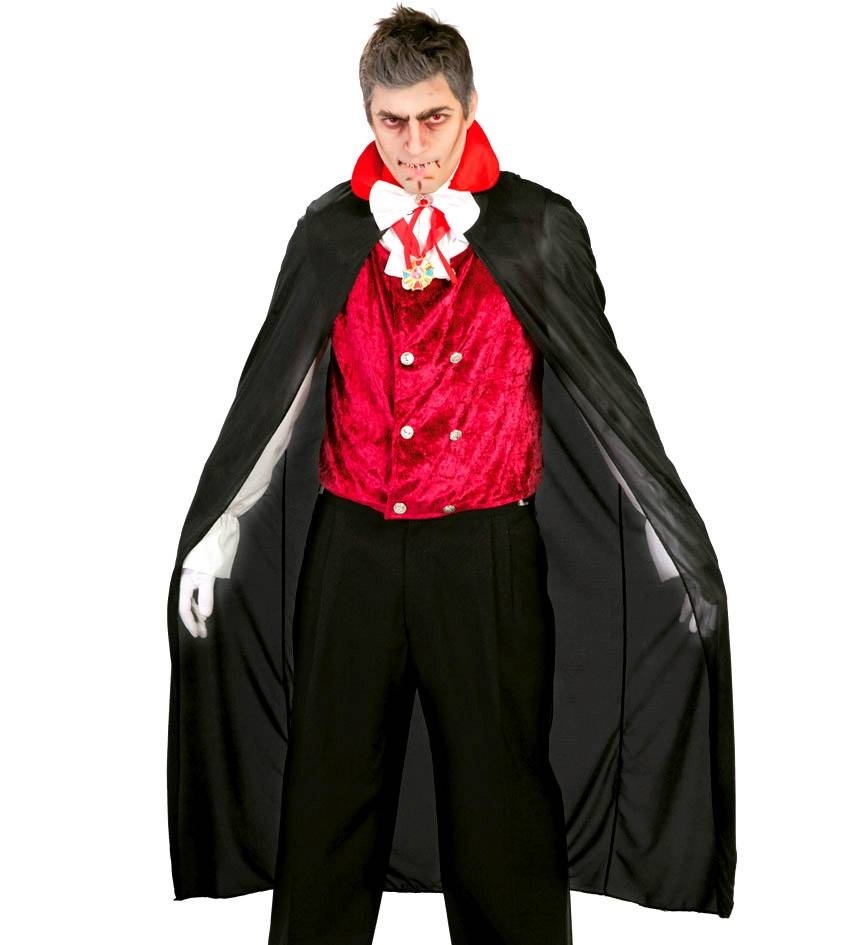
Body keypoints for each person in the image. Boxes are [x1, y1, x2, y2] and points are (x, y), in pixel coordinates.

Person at [166, 6, 736, 944]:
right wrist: (220, 528)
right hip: (350, 551)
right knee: (328, 791)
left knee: (501, 798)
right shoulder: (329, 232)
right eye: (392, 121)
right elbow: (280, 389)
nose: (414, 146)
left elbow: (605, 394)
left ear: (469, 107)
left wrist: (668, 538)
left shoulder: (538, 228)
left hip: (487, 552)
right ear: (368, 117)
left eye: (433, 118)